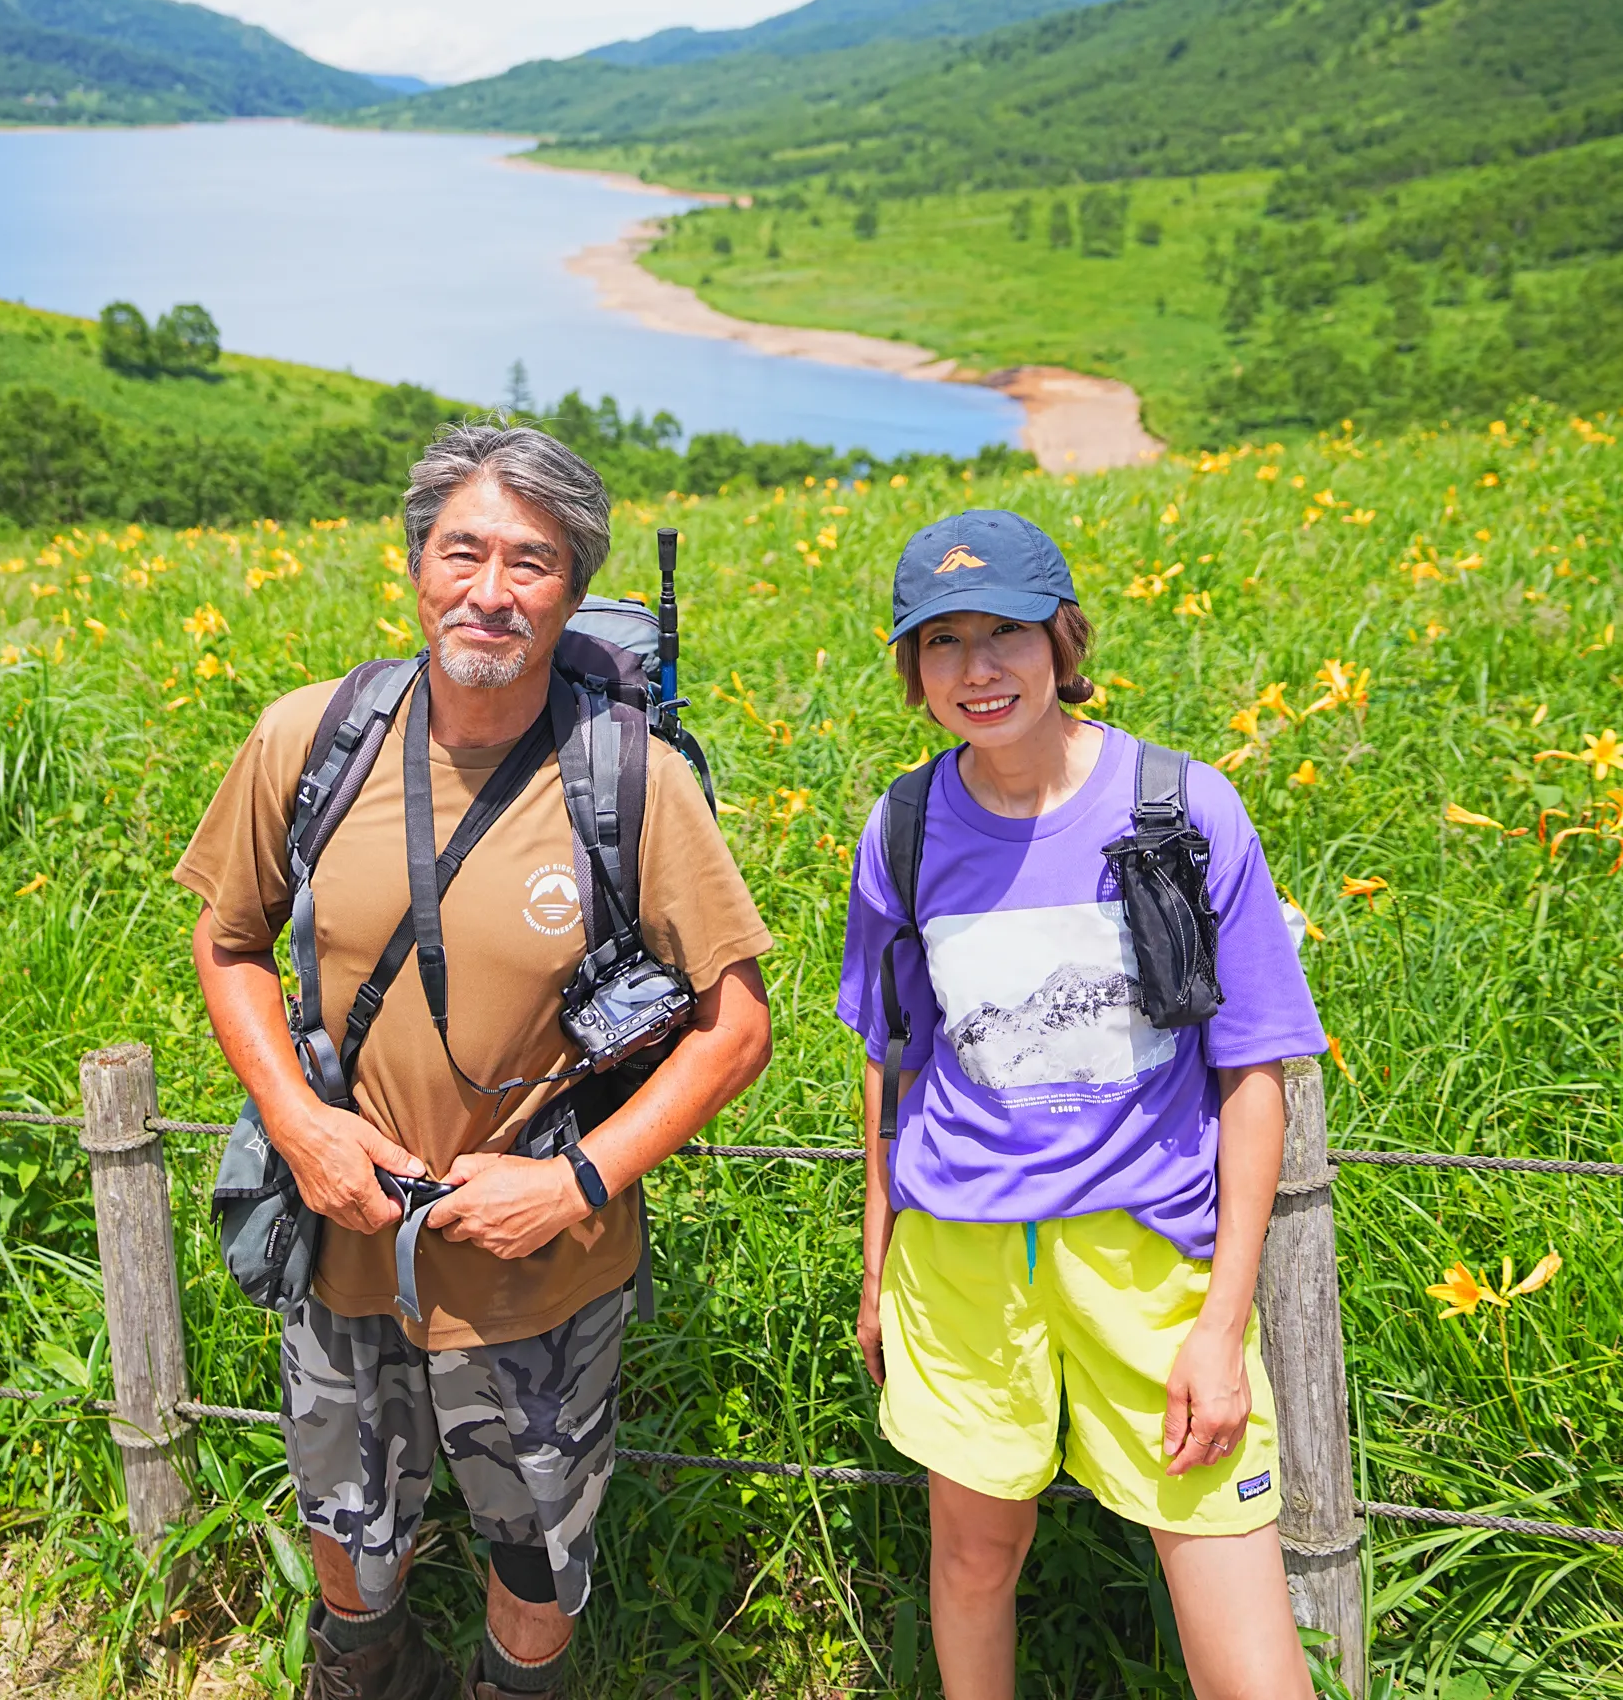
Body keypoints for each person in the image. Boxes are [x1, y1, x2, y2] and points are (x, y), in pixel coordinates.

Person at [176, 424, 773, 1700]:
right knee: (346, 1521)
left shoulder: (633, 780)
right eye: (464, 551)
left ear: (571, 589)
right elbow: (226, 940)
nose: (490, 589)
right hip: (340, 1243)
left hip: (544, 1272)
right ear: (415, 566)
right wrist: (300, 1125)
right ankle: (365, 1674)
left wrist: (575, 1185)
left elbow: (738, 1028)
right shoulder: (309, 739)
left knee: (537, 1549)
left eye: (531, 561)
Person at [837, 508, 1325, 1700]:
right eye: (941, 641)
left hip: (1152, 1266)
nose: (977, 669)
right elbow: (895, 1062)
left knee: (1249, 1654)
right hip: (958, 1264)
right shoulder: (901, 830)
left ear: (1063, 640)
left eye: (1005, 632)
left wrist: (1221, 1322)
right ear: (913, 669)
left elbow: (1253, 1071)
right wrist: (876, 1266)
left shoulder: (1182, 807)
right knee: (972, 1555)